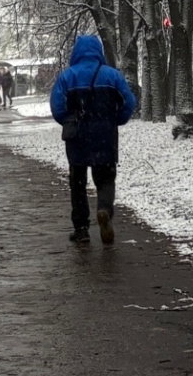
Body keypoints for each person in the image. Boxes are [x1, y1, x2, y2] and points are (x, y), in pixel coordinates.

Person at [50, 35, 137, 244]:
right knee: (105, 178)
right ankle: (104, 210)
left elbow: (57, 106)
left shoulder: (67, 77)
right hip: (104, 135)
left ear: (76, 53)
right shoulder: (112, 76)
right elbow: (129, 102)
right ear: (99, 51)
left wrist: (68, 121)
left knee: (77, 182)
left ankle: (81, 230)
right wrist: (116, 120)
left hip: (77, 136)